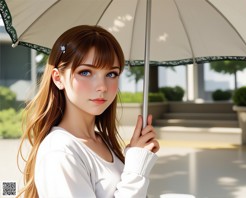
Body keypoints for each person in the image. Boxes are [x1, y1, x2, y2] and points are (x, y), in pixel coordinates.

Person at [17, 25, 159, 198]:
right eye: (85, 72)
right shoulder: (60, 151)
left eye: (111, 74)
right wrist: (137, 170)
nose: (102, 87)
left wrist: (135, 156)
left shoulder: (103, 140)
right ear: (57, 78)